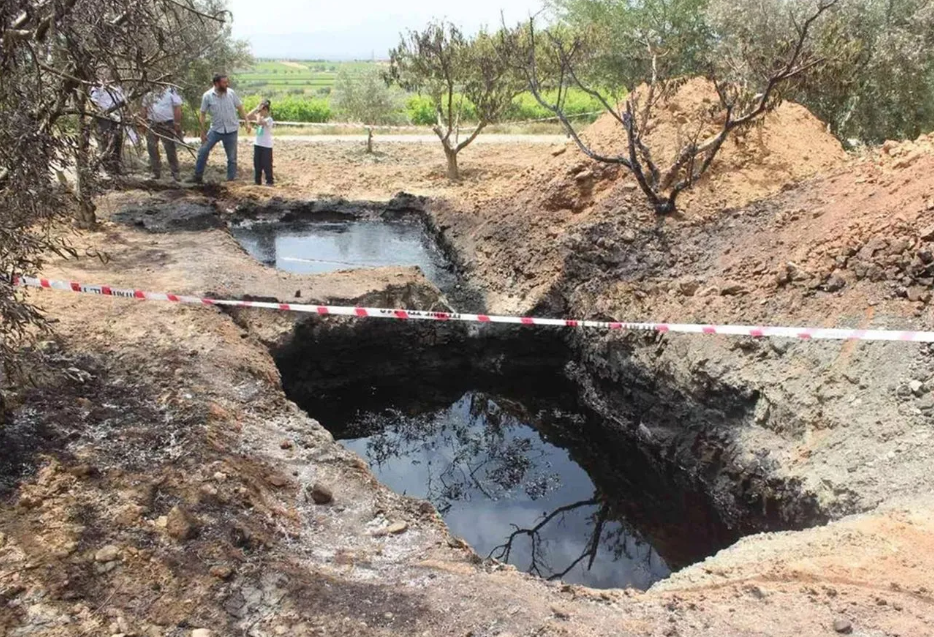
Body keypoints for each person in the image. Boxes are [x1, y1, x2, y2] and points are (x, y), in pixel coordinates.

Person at [192, 73, 249, 183]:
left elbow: (240, 107)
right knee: (203, 151)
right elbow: (202, 113)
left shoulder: (231, 93)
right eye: (224, 82)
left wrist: (247, 122)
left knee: (232, 158)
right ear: (216, 83)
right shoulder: (207, 96)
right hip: (216, 129)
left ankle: (230, 180)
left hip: (231, 129)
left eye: (227, 82)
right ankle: (197, 177)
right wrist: (202, 131)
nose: (226, 84)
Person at [142, 86, 183, 180]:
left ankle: (175, 172)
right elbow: (144, 108)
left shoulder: (172, 91)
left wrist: (177, 123)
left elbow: (177, 107)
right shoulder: (149, 93)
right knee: (152, 148)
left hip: (167, 124)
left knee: (170, 148)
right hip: (152, 124)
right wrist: (143, 123)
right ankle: (155, 172)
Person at [89, 84, 126, 175]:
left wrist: (121, 115)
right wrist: (109, 114)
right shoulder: (97, 88)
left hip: (117, 119)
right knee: (104, 143)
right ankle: (105, 168)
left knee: (117, 142)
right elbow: (94, 103)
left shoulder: (117, 88)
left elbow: (122, 102)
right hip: (103, 119)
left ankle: (116, 168)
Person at [248, 99, 275, 186]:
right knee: (257, 164)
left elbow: (259, 122)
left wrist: (258, 115)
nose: (260, 112)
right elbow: (248, 116)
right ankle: (257, 181)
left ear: (266, 110)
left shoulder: (269, 119)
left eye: (261, 110)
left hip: (266, 146)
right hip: (258, 144)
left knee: (267, 165)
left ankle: (269, 181)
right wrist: (256, 108)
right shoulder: (260, 116)